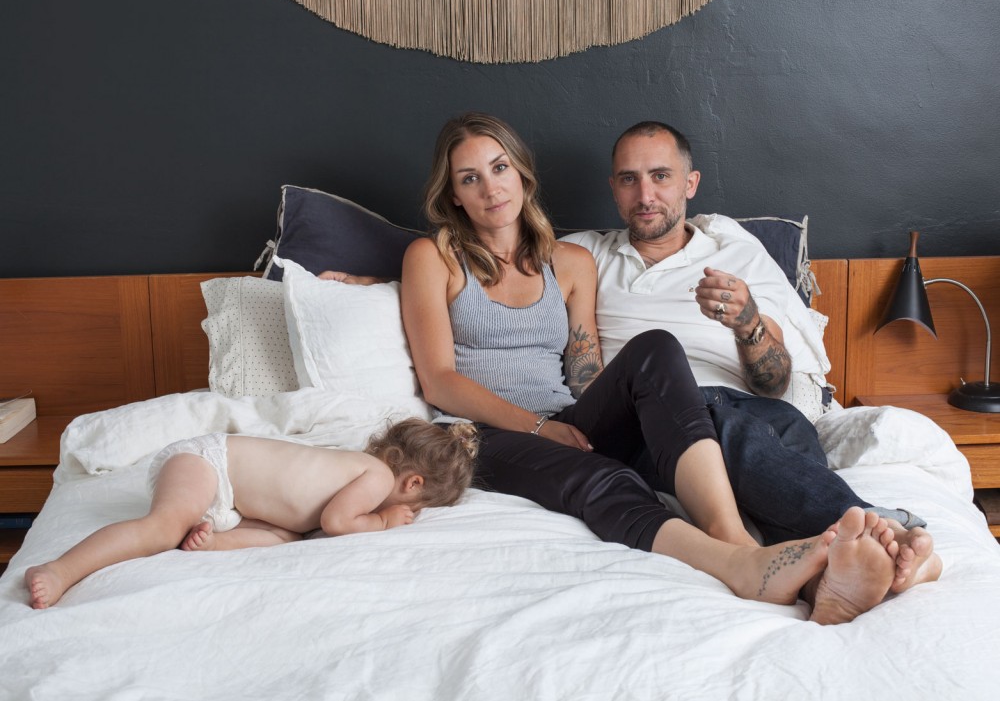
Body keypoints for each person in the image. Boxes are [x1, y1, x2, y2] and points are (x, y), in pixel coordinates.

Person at [399, 111, 906, 625]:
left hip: (570, 418)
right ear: (453, 194)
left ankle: (799, 558)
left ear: (522, 175)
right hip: (482, 432)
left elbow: (586, 374)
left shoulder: (571, 261)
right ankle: (754, 557)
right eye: (470, 178)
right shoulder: (432, 257)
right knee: (604, 474)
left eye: (499, 168)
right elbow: (440, 381)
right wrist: (539, 428)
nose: (490, 188)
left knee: (657, 349)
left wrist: (629, 411)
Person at [561, 120, 942, 594]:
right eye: (628, 179)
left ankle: (823, 584)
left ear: (690, 183)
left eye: (660, 176)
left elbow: (775, 384)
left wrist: (748, 324)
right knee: (727, 426)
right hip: (651, 420)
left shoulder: (738, 254)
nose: (645, 195)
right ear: (613, 188)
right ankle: (878, 528)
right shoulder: (585, 256)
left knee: (783, 440)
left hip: (757, 410)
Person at [24, 418, 478, 610]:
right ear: (412, 484)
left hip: (232, 501)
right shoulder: (376, 476)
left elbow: (309, 522)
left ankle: (211, 541)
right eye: (415, 508)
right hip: (208, 462)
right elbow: (339, 523)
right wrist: (383, 521)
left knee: (286, 538)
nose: (406, 513)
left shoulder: (358, 473)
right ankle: (62, 569)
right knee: (161, 529)